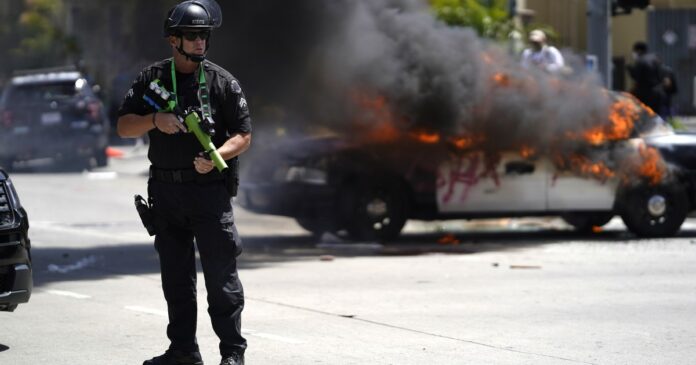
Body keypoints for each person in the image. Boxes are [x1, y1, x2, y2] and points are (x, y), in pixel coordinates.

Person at [116, 1, 251, 364]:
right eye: (192, 36)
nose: (200, 42)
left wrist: (216, 156)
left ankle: (232, 354)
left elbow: (243, 135)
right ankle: (183, 352)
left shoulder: (222, 82)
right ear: (173, 40)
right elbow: (124, 125)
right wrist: (154, 120)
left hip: (209, 194)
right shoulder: (152, 80)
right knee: (176, 281)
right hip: (167, 194)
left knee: (221, 281)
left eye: (204, 35)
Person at [627, 41, 665, 115]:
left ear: (639, 50)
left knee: (645, 115)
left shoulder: (641, 61)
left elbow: (636, 76)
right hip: (658, 92)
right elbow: (662, 75)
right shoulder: (656, 58)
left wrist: (629, 68)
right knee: (656, 116)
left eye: (634, 51)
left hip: (646, 93)